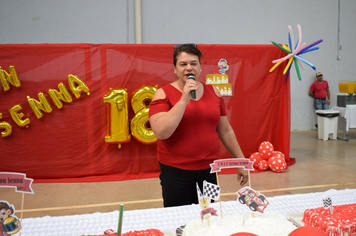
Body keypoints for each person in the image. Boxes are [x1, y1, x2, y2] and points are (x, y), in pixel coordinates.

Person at [148, 44, 248, 207]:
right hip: (176, 174)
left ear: (200, 67)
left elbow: (226, 130)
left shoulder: (214, 92)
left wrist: (241, 161)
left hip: (209, 172)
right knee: (179, 218)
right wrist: (184, 100)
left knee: (210, 212)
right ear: (174, 69)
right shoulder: (163, 93)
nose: (189, 68)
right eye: (183, 64)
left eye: (193, 63)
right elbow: (161, 132)